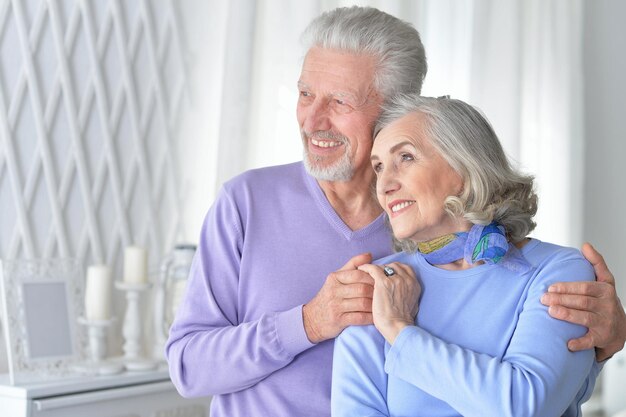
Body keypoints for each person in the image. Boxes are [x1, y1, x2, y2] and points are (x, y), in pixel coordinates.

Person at [166, 6, 626, 417]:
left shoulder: (430, 227)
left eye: (339, 101)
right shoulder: (246, 202)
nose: (312, 120)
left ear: (395, 111)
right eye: (306, 94)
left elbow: (527, 381)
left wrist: (597, 347)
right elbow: (188, 367)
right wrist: (308, 322)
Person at [332, 95, 597, 416]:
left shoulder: (558, 271)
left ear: (464, 166)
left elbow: (525, 407)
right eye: (379, 167)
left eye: (405, 157)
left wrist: (399, 331)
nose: (385, 184)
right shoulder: (377, 285)